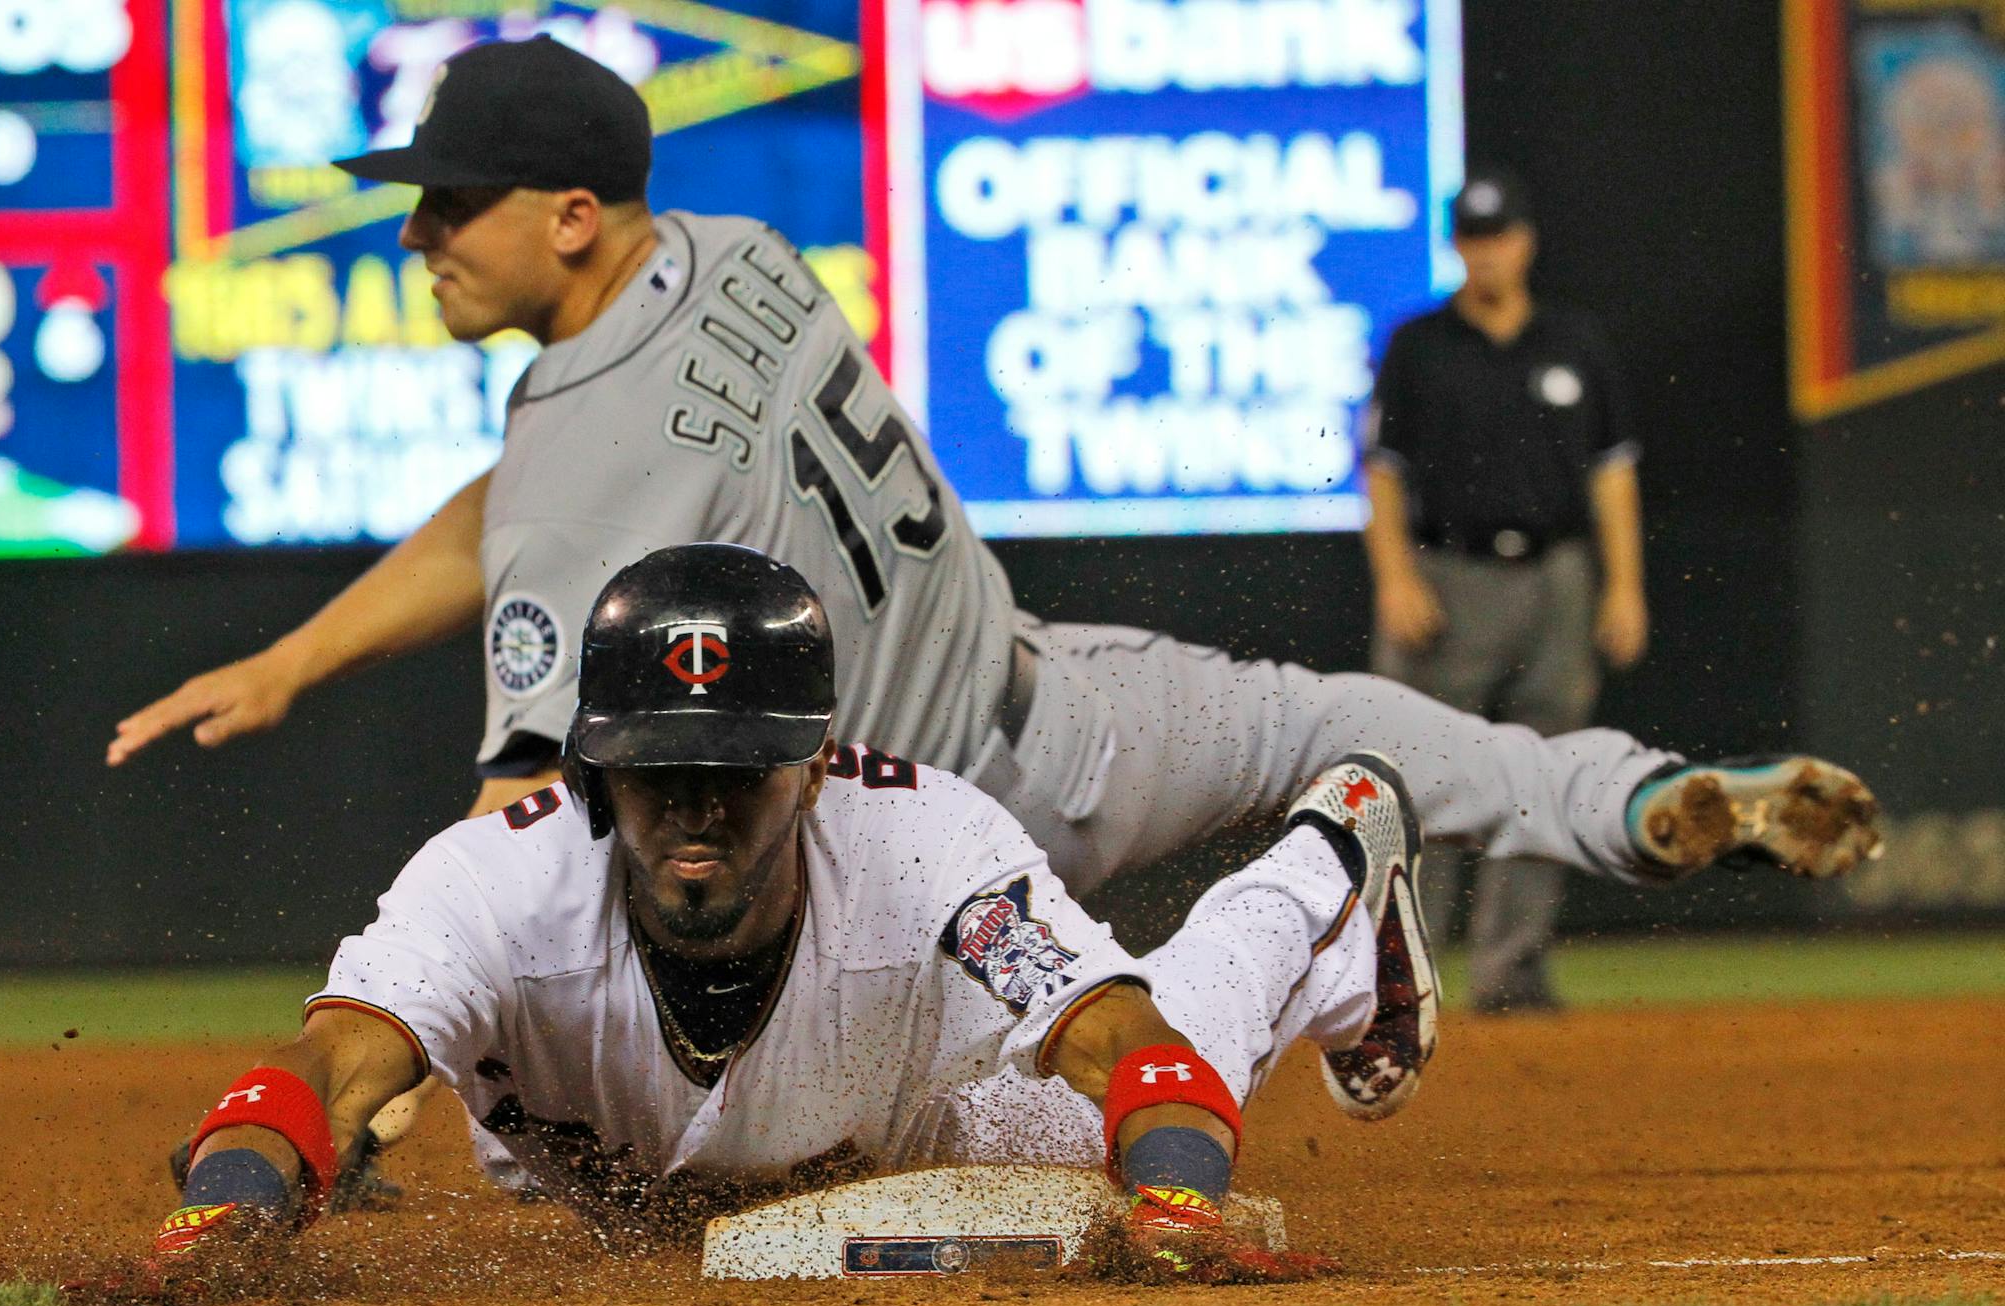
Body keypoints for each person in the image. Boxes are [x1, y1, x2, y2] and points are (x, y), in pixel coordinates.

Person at [106, 39, 1878, 1142]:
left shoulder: (581, 463)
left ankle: (1325, 933)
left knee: (1000, 1150)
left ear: (571, 217)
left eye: (450, 204)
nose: (419, 233)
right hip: (1060, 696)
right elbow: (533, 494)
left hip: (914, 849)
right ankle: (1628, 798)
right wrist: (301, 653)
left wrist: (424, 1058)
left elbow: (523, 807)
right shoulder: (733, 254)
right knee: (1343, 717)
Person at [153, 544, 1441, 1283]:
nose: (695, 807)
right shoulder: (489, 885)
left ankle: (1337, 850)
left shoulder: (926, 844)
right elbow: (329, 1061)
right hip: (626, 1127)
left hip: (933, 1126)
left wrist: (1176, 1202)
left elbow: (1123, 1039)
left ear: (817, 764)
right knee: (507, 1135)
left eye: (738, 768)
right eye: (658, 770)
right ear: (594, 767)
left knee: (1199, 1023)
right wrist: (233, 1198)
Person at [1362, 169, 1651, 1012]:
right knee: (1422, 783)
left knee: (1545, 781)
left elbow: (1612, 473)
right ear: (1458, 246)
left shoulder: (1574, 342)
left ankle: (1511, 971)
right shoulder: (1419, 345)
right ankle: (1398, 979)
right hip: (1448, 577)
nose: (1488, 253)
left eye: (1501, 236)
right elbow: (1381, 471)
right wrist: (1395, 578)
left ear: (1526, 241)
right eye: (1474, 238)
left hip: (1557, 576)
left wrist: (1624, 586)